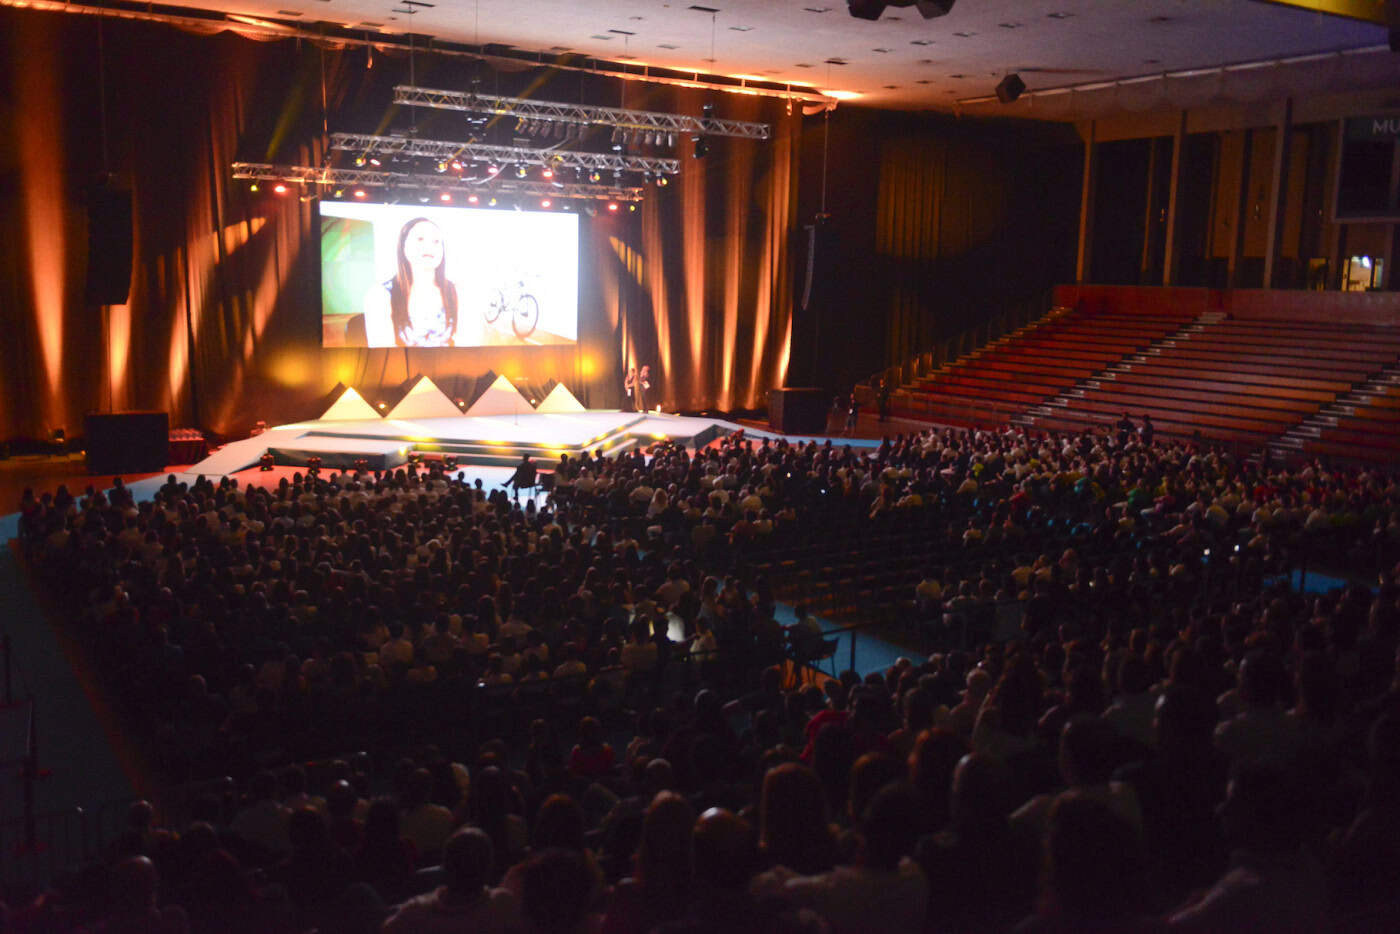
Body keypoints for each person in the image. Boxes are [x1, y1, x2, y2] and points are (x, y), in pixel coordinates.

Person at [363, 217, 463, 347]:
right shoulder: (379, 295)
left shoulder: (458, 292)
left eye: (436, 241)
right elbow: (382, 354)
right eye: (420, 239)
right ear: (403, 246)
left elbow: (469, 346)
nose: (429, 246)